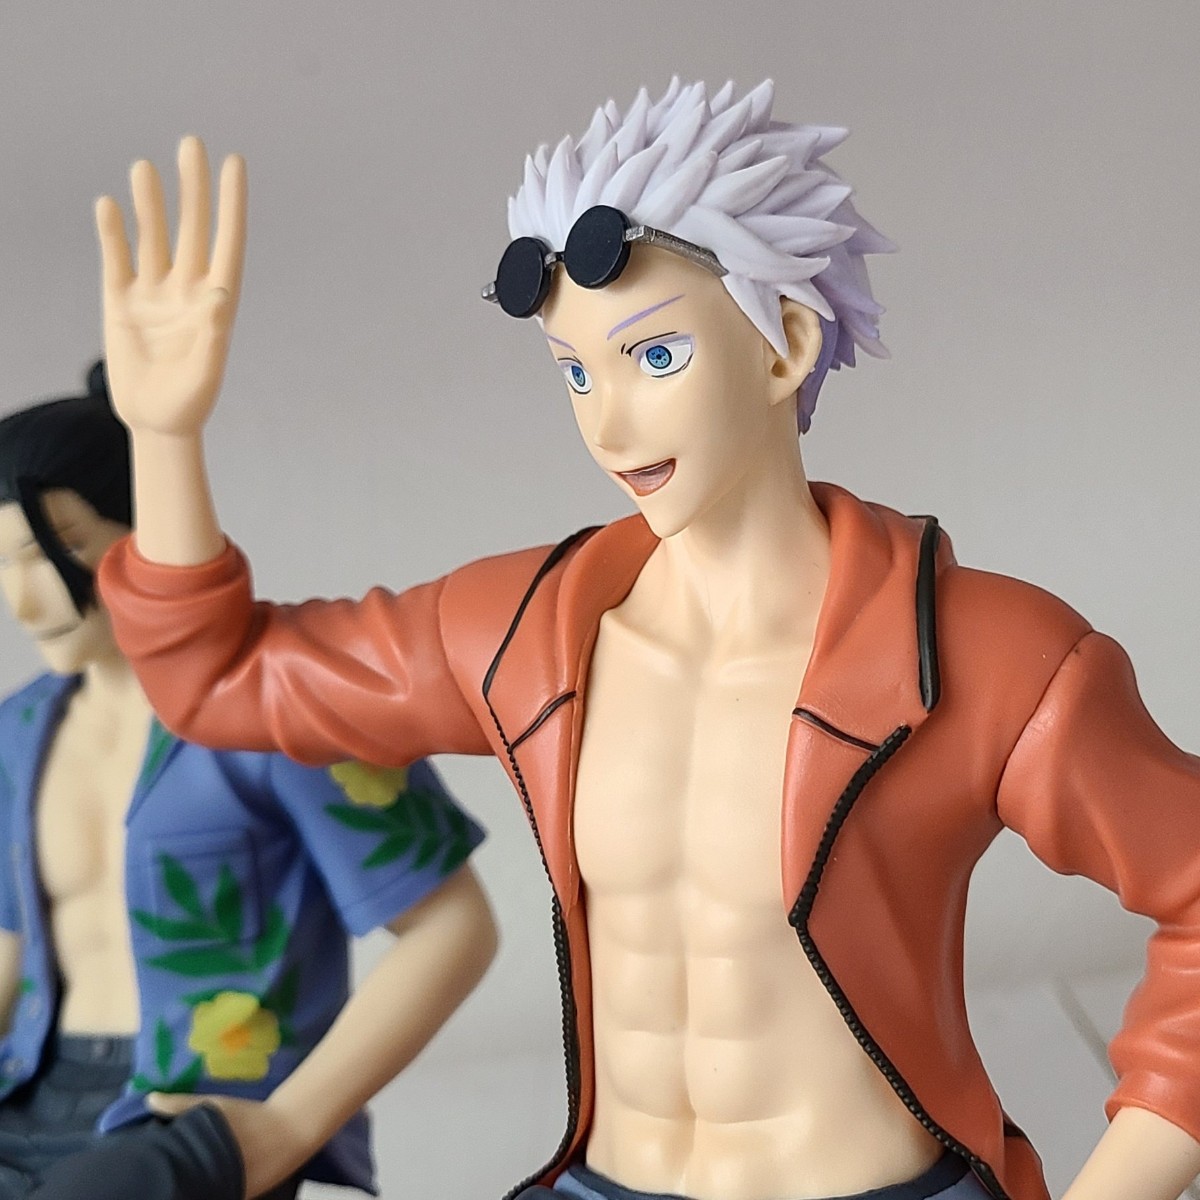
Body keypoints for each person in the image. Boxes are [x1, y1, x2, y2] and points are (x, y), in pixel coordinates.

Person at [95, 80, 1200, 1200]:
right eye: (575, 371)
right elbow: (222, 682)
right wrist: (163, 434)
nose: (606, 421)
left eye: (654, 356)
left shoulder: (986, 656)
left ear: (786, 345)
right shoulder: (522, 634)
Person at [0, 365, 497, 1198]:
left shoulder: (284, 704)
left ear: (148, 530)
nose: (21, 601)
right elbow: (12, 944)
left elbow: (453, 927)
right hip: (30, 1090)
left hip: (185, 1114)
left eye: (55, 549)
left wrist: (290, 1126)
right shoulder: (17, 733)